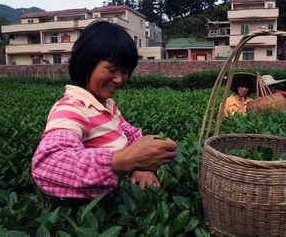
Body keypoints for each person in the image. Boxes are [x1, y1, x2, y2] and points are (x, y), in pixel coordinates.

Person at [31, 20, 177, 199]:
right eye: (112, 69)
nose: (119, 79)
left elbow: (128, 132)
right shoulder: (71, 109)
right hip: (99, 210)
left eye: (124, 72)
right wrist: (125, 161)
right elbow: (48, 164)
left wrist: (141, 164)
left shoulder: (105, 104)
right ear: (86, 63)